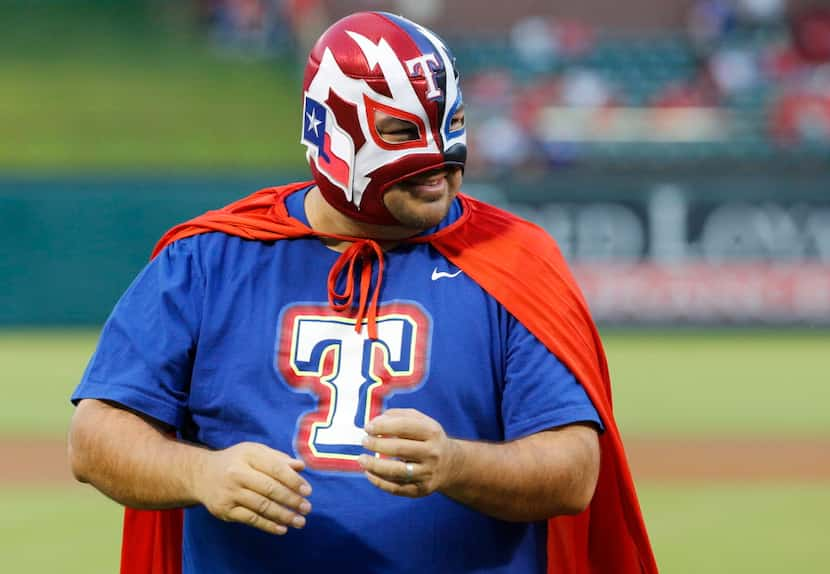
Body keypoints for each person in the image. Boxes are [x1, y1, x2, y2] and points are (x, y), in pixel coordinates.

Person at [68, 11, 656, 574]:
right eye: (402, 132)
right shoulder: (207, 258)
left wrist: (456, 463)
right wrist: (199, 474)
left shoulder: (514, 260)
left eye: (450, 125)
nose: (441, 158)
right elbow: (96, 438)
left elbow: (575, 471)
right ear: (330, 133)